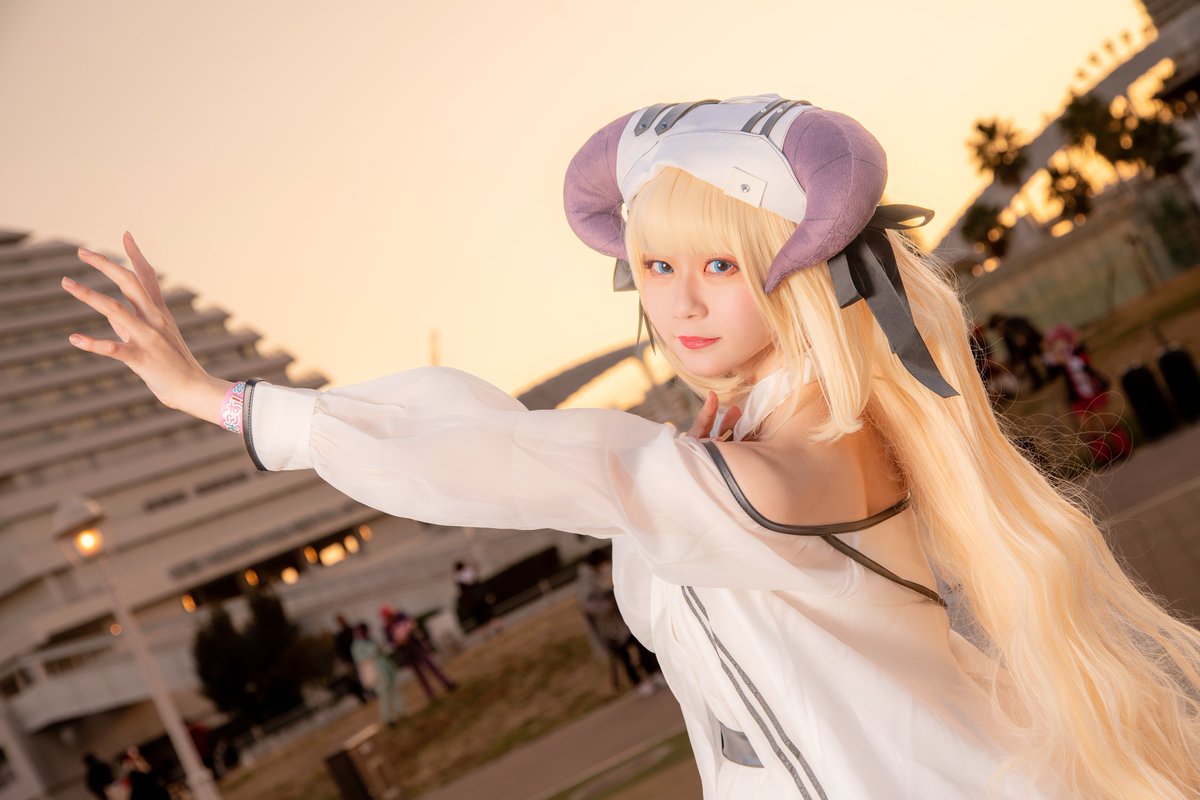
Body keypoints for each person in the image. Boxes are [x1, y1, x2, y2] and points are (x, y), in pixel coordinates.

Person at [61, 94, 1200, 799]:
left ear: (801, 271)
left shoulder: (771, 470)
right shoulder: (792, 438)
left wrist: (227, 402)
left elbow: (524, 458)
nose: (681, 302)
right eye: (657, 266)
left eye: (720, 264)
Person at [1041, 323, 1133, 467]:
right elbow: (1049, 366)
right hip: (1077, 397)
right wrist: (1047, 350)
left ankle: (1123, 449)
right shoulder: (1057, 360)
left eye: (1060, 341)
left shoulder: (1078, 352)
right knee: (1089, 428)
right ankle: (1103, 457)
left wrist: (1065, 358)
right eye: (1056, 343)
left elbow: (1081, 363)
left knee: (1107, 420)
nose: (1059, 346)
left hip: (1093, 390)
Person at [577, 548, 664, 696]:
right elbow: (587, 604)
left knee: (637, 646)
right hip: (609, 626)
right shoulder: (586, 578)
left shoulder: (590, 575)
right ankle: (640, 682)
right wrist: (606, 606)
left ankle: (652, 674)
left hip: (616, 622)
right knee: (626, 654)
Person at [380, 606, 457, 700]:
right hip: (405, 651)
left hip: (414, 644)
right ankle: (430, 693)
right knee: (419, 673)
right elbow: (391, 642)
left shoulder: (400, 616)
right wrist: (400, 641)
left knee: (430, 665)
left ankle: (446, 683)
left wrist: (407, 631)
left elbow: (412, 623)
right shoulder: (387, 628)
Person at [349, 622, 405, 726]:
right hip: (376, 672)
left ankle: (401, 712)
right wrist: (375, 651)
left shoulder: (372, 639)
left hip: (386, 667)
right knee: (383, 695)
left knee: (394, 690)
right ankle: (388, 718)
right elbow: (360, 659)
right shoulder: (356, 646)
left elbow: (384, 650)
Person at [987, 312, 1046, 391]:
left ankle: (1040, 380)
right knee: (1028, 363)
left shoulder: (1011, 324)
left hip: (1033, 343)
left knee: (1032, 361)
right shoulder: (1007, 330)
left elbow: (1026, 335)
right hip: (1028, 348)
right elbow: (1012, 350)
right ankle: (1038, 381)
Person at [333, 614, 369, 704]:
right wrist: (346, 662)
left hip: (361, 657)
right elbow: (340, 651)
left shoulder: (353, 630)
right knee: (356, 679)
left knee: (366, 675)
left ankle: (371, 692)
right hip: (351, 660)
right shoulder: (339, 637)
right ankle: (362, 697)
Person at [452, 560, 494, 633]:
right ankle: (496, 626)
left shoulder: (458, 578)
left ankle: (485, 632)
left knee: (479, 617)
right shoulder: (470, 572)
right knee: (488, 612)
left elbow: (462, 591)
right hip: (480, 596)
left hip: (471, 600)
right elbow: (478, 581)